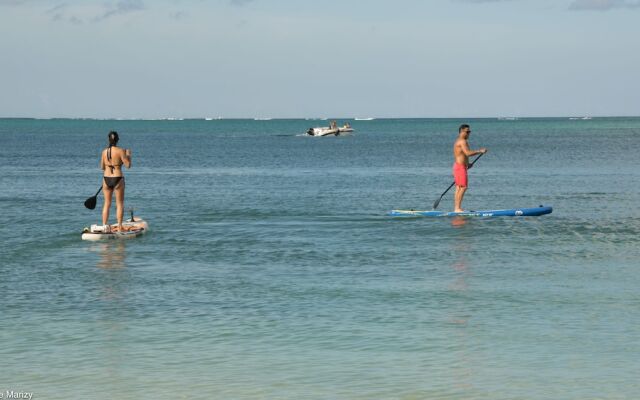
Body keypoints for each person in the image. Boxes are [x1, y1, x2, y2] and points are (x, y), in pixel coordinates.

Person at [100, 131, 132, 232]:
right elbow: (128, 165)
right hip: (118, 178)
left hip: (106, 178)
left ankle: (104, 225)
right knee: (119, 203)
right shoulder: (121, 151)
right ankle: (119, 226)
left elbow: (102, 167)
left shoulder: (104, 152)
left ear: (109, 139)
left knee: (107, 203)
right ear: (117, 139)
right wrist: (128, 155)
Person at [453, 124, 487, 212]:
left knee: (459, 187)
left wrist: (468, 164)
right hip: (460, 167)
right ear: (461, 132)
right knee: (463, 187)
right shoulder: (462, 141)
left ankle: (456, 208)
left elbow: (462, 155)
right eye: (467, 132)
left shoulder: (459, 141)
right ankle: (457, 208)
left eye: (469, 132)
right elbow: (468, 153)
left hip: (459, 166)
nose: (469, 134)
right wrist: (480, 151)